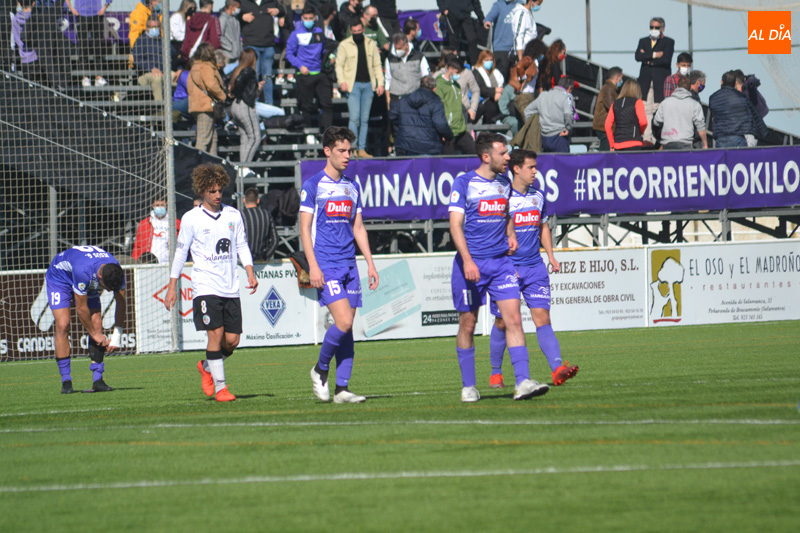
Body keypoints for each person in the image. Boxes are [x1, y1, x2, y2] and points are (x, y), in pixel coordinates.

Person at [448, 132, 549, 403]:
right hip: (471, 264)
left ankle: (522, 381)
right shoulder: (464, 183)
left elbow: (506, 215)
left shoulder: (504, 183)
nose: (508, 157)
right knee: (468, 325)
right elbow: (455, 225)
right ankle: (468, 386)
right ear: (486, 156)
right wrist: (468, 260)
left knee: (513, 319)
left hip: (502, 264)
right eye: (502, 153)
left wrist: (511, 234)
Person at [165, 163, 259, 402]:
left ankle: (206, 367)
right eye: (213, 191)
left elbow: (241, 245)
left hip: (231, 286)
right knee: (215, 334)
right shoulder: (191, 218)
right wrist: (172, 285)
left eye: (220, 191)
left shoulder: (233, 215)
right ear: (203, 191)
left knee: (232, 341)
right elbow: (180, 252)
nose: (218, 195)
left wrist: (249, 271)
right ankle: (221, 388)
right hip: (205, 286)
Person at [299, 126, 379, 404]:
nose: (347, 156)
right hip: (326, 264)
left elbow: (358, 227)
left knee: (348, 327)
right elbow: (305, 229)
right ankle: (319, 370)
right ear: (327, 151)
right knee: (343, 321)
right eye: (341, 151)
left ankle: (342, 389)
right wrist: (313, 266)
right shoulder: (312, 186)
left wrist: (370, 263)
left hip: (350, 265)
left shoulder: (352, 186)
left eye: (349, 151)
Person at [487, 149, 578, 389]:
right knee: (502, 322)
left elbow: (543, 227)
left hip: (535, 267)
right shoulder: (501, 198)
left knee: (543, 318)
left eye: (536, 167)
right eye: (531, 167)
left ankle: (558, 368)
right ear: (516, 169)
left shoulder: (538, 196)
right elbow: (492, 232)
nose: (535, 172)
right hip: (508, 269)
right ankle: (496, 372)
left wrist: (551, 256)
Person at [45, 246, 127, 394]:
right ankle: (66, 382)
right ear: (100, 277)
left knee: (97, 322)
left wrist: (117, 335)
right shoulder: (83, 271)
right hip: (60, 278)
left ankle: (98, 380)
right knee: (63, 325)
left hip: (88, 278)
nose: (108, 291)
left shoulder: (117, 271)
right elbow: (82, 309)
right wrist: (95, 335)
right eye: (106, 288)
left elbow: (121, 302)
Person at [336, 19, 385, 157]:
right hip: (353, 86)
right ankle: (351, 149)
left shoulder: (371, 44)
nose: (357, 33)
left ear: (363, 29)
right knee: (354, 117)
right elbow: (339, 65)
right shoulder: (344, 45)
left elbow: (377, 64)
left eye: (359, 31)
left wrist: (380, 83)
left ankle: (362, 149)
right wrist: (342, 82)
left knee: (364, 119)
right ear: (351, 31)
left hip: (369, 85)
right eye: (354, 31)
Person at [287, 6, 333, 133]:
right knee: (306, 107)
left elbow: (323, 50)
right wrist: (300, 66)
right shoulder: (295, 34)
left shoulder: (319, 32)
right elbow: (289, 54)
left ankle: (327, 133)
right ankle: (308, 134)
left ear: (315, 18)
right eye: (305, 18)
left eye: (310, 18)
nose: (308, 20)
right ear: (302, 18)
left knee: (327, 104)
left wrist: (330, 58)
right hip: (304, 74)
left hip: (319, 72)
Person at [634, 17, 674, 144]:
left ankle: (657, 138)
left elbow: (666, 60)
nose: (653, 30)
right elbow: (638, 56)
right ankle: (647, 138)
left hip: (660, 81)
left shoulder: (668, 42)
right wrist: (655, 55)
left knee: (658, 109)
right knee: (646, 109)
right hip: (645, 81)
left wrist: (647, 59)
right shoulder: (643, 41)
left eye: (656, 27)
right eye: (651, 27)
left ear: (662, 28)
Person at [390, 76, 453, 156]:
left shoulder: (405, 99)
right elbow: (440, 124)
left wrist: (403, 125)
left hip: (405, 145)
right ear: (434, 89)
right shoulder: (435, 102)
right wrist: (449, 137)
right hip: (428, 147)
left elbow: (392, 114)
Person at [708, 70, 769, 148]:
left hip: (720, 137)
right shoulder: (741, 98)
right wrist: (764, 133)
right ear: (735, 83)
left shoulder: (713, 98)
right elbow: (756, 115)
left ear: (721, 81)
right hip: (738, 136)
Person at [239, 0, 284, 105]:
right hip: (251, 44)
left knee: (267, 77)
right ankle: (253, 104)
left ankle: (269, 104)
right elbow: (231, 11)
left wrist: (278, 10)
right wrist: (242, 17)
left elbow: (283, 9)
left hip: (268, 44)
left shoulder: (271, 1)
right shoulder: (244, 2)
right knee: (254, 75)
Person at [188, 43, 227, 155]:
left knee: (212, 139)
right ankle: (198, 168)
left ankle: (212, 167)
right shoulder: (206, 67)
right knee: (203, 141)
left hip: (197, 105)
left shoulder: (194, 67)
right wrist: (222, 95)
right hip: (205, 106)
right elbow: (211, 85)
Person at [227, 49, 264, 162]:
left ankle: (243, 166)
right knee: (255, 138)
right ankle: (245, 166)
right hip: (244, 105)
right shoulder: (248, 70)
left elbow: (226, 79)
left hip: (235, 106)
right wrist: (236, 92)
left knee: (245, 137)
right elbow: (239, 82)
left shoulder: (237, 69)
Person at [652, 75, 707, 150]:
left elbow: (656, 121)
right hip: (686, 144)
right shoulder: (694, 104)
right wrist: (705, 144)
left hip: (667, 142)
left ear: (677, 87)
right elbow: (700, 126)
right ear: (690, 88)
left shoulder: (665, 103)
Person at [65, 0, 112, 86]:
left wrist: (105, 6)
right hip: (81, 14)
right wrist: (71, 8)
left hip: (97, 14)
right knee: (83, 46)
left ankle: (98, 77)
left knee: (97, 46)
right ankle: (85, 77)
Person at [524, 75, 576, 153]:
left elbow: (527, 111)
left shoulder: (543, 96)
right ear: (570, 88)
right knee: (563, 164)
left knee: (548, 164)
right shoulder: (566, 96)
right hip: (560, 136)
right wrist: (568, 128)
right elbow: (568, 114)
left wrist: (535, 128)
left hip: (544, 138)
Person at [436, 58, 474, 155]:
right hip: (449, 130)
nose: (459, 75)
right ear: (449, 69)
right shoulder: (439, 85)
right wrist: (442, 131)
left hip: (460, 129)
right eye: (457, 72)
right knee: (450, 158)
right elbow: (438, 109)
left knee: (473, 152)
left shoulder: (456, 85)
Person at [484, 0, 526, 81]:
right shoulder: (498, 5)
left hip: (516, 49)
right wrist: (487, 22)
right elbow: (490, 17)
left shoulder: (521, 5)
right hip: (501, 48)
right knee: (501, 77)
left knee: (513, 79)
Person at [385, 33, 430, 108]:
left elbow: (426, 77)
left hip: (415, 97)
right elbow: (388, 80)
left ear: (406, 45)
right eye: (396, 48)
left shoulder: (419, 57)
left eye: (400, 48)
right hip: (396, 98)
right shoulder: (390, 59)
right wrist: (388, 100)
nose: (397, 51)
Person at [436, 0, 484, 66]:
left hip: (466, 14)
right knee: (454, 42)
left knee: (472, 39)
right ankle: (454, 65)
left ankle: (474, 65)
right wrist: (444, 9)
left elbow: (475, 2)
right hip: (451, 14)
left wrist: (481, 18)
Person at [132, 198, 180, 263]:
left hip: (169, 263)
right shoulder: (144, 223)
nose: (160, 207)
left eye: (162, 205)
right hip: (148, 263)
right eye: (157, 205)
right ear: (153, 206)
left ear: (166, 206)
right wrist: (135, 261)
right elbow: (137, 246)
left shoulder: (176, 223)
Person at [605, 79, 647, 151]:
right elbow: (643, 122)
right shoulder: (638, 102)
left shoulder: (614, 104)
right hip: (634, 142)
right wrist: (639, 132)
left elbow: (607, 125)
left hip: (618, 144)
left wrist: (612, 144)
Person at [132, 16, 165, 101]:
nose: (154, 29)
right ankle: (160, 108)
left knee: (181, 77)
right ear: (147, 28)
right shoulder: (140, 41)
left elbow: (175, 55)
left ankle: (179, 108)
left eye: (156, 27)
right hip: (145, 74)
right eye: (152, 27)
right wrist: (151, 68)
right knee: (156, 78)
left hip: (164, 72)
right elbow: (137, 60)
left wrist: (179, 69)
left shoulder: (162, 41)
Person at [241, 187, 278, 261]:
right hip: (260, 260)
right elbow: (275, 240)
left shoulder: (239, 215)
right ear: (258, 201)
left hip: (241, 261)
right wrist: (265, 256)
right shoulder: (266, 214)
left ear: (244, 200)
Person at [592, 66, 623, 151]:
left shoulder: (609, 88)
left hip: (606, 128)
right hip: (605, 128)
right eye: (621, 77)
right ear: (617, 77)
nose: (621, 80)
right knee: (606, 153)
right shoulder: (608, 89)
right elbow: (613, 107)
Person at [472, 50, 505, 124]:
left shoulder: (496, 72)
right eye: (487, 60)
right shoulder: (476, 72)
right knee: (491, 108)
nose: (489, 62)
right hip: (484, 99)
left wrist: (499, 93)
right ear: (481, 61)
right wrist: (495, 91)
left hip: (499, 97)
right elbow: (481, 88)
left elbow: (503, 85)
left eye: (491, 60)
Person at [170, 0, 196, 66]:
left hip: (186, 44)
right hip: (176, 45)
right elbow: (177, 36)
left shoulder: (190, 18)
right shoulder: (176, 17)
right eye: (191, 9)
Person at [219, 0, 242, 65]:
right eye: (237, 7)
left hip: (237, 54)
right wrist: (230, 47)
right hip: (228, 55)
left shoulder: (235, 18)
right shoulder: (223, 18)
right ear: (231, 7)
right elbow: (220, 36)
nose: (238, 10)